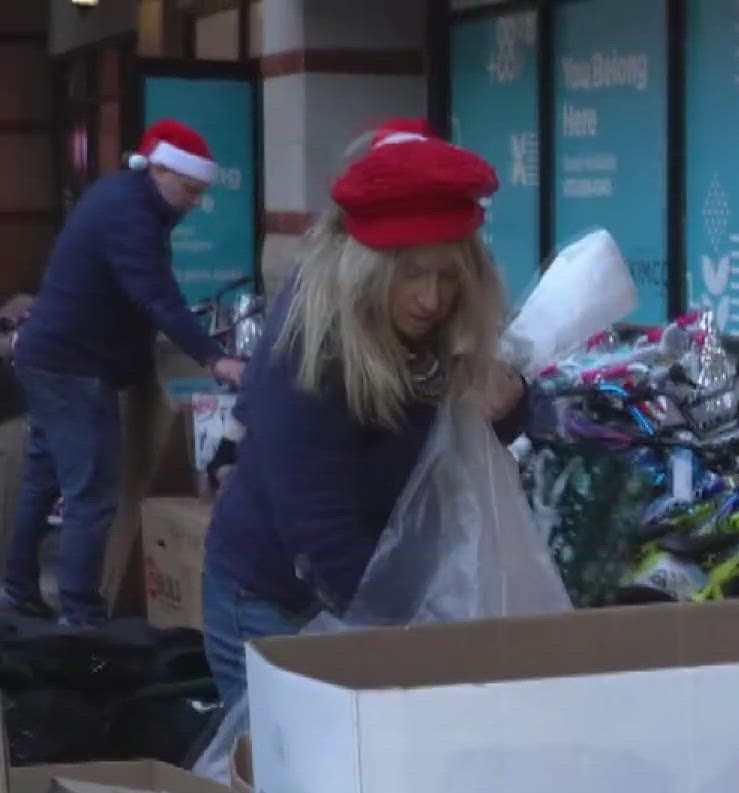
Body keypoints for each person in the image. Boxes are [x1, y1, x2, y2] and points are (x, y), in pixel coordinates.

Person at [201, 122, 527, 712]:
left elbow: (452, 444)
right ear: (368, 268)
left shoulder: (433, 327)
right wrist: (395, 639)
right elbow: (316, 521)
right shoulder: (313, 346)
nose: (432, 299)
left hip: (366, 583)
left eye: (449, 276)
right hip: (277, 599)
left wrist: (510, 407)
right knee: (284, 783)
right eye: (412, 275)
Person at [3, 120, 246, 625]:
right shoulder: (130, 214)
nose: (193, 202)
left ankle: (18, 586)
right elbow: (155, 296)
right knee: (90, 495)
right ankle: (81, 615)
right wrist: (214, 358)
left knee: (44, 479)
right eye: (189, 188)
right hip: (73, 368)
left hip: (53, 359)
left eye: (200, 193)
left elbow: (133, 299)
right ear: (159, 168)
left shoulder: (125, 198)